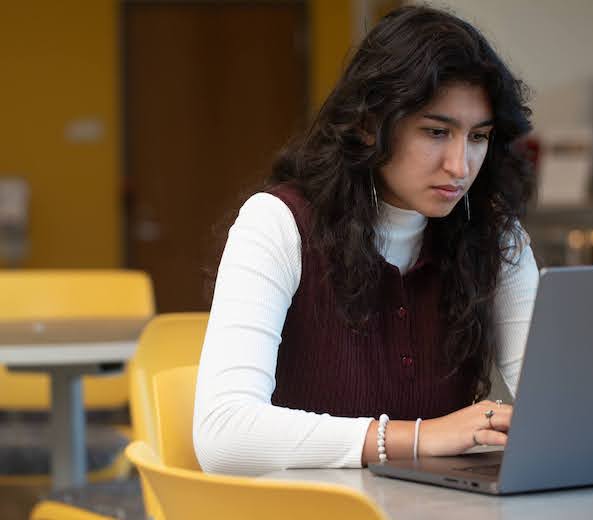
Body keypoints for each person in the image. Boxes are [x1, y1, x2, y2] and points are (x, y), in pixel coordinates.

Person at [193, 5, 538, 476]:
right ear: (368, 124)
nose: (460, 166)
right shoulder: (277, 223)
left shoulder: (495, 236)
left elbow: (553, 408)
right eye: (437, 132)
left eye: (478, 137)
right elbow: (223, 436)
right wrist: (418, 437)